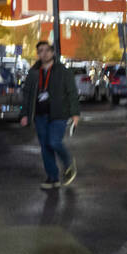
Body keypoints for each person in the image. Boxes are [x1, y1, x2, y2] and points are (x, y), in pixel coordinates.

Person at [19, 41, 80, 189]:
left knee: (54, 142)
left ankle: (68, 162)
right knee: (45, 147)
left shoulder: (63, 72)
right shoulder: (33, 73)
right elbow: (27, 95)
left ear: (52, 53)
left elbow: (72, 92)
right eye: (40, 51)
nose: (44, 53)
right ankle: (52, 178)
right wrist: (24, 114)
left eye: (47, 50)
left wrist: (75, 113)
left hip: (58, 114)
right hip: (40, 115)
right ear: (38, 54)